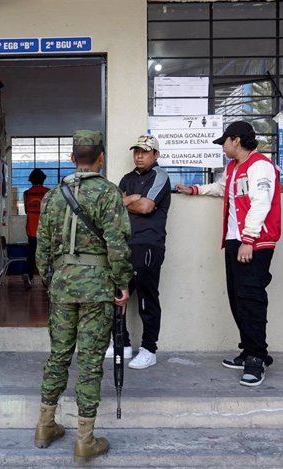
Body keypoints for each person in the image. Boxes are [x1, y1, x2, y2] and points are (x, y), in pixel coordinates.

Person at [34, 130, 132, 463]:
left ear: (73, 158)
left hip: (63, 285)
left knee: (59, 354)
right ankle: (84, 441)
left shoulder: (51, 196)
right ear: (100, 158)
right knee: (90, 362)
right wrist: (122, 284)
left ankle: (45, 426)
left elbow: (42, 249)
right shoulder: (109, 193)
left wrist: (53, 281)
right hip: (98, 288)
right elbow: (117, 245)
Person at [176, 121, 280, 387]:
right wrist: (196, 189)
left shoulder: (260, 166)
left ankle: (256, 358)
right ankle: (250, 349)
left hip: (253, 243)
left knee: (251, 299)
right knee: (237, 298)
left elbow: (262, 203)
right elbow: (223, 190)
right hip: (235, 241)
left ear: (236, 140)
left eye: (224, 141)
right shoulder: (233, 168)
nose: (222, 147)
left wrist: (248, 239)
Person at [105, 134, 171, 369]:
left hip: (149, 245)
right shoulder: (126, 178)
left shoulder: (160, 176)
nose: (139, 156)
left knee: (146, 299)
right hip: (125, 245)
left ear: (156, 155)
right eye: (136, 151)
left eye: (144, 152)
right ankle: (121, 343)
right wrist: (132, 198)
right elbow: (116, 206)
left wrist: (129, 200)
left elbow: (146, 207)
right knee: (117, 297)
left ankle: (149, 349)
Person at [22, 168, 49, 289]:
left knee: (31, 253)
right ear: (43, 179)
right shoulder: (49, 193)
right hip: (47, 230)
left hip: (32, 230)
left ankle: (29, 275)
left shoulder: (26, 193)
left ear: (31, 180)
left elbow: (27, 210)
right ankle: (46, 278)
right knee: (48, 254)